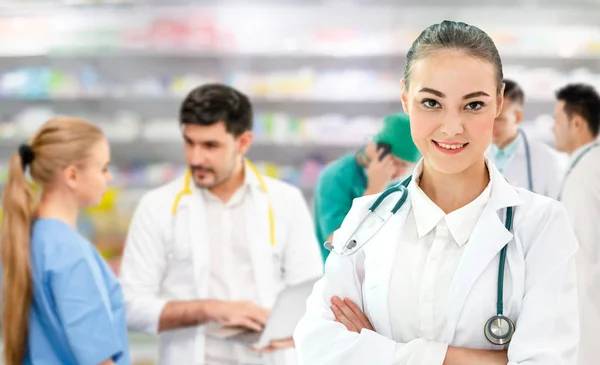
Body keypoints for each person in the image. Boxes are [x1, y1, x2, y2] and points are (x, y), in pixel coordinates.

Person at [293, 20, 579, 365]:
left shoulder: (541, 225)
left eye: (473, 105)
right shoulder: (366, 218)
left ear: (499, 103)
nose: (452, 127)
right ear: (405, 99)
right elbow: (317, 349)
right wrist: (479, 358)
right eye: (431, 103)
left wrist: (381, 351)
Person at [119, 83, 323, 365]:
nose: (195, 158)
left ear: (243, 142)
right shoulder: (157, 206)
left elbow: (311, 293)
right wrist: (212, 309)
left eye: (210, 146)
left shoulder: (285, 201)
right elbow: (129, 306)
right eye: (189, 142)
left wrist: (297, 330)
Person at [0, 117, 129, 365]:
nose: (109, 177)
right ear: (71, 175)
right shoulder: (70, 253)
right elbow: (98, 358)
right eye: (103, 168)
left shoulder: (28, 239)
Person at [313, 113, 420, 261]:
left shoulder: (398, 183)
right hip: (343, 274)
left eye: (407, 166)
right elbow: (337, 243)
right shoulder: (335, 177)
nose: (400, 172)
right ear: (378, 150)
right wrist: (372, 192)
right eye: (397, 162)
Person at [551, 83, 600, 365]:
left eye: (558, 120)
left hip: (588, 322)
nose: (553, 128)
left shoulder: (585, 174)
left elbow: (583, 259)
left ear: (577, 123)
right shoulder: (588, 164)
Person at [486, 79, 566, 198]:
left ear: (518, 117)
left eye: (499, 119)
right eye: (487, 117)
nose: (490, 125)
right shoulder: (471, 154)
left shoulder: (546, 159)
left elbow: (558, 209)